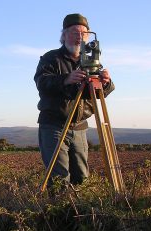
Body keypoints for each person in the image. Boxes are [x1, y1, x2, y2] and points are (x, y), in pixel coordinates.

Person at [34, 13, 115, 190]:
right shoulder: (51, 58)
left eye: (84, 33)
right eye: (74, 32)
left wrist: (106, 83)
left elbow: (102, 93)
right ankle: (60, 215)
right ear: (64, 35)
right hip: (54, 126)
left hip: (79, 128)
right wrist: (65, 79)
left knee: (81, 178)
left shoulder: (92, 62)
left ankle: (81, 215)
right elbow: (42, 83)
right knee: (59, 180)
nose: (79, 36)